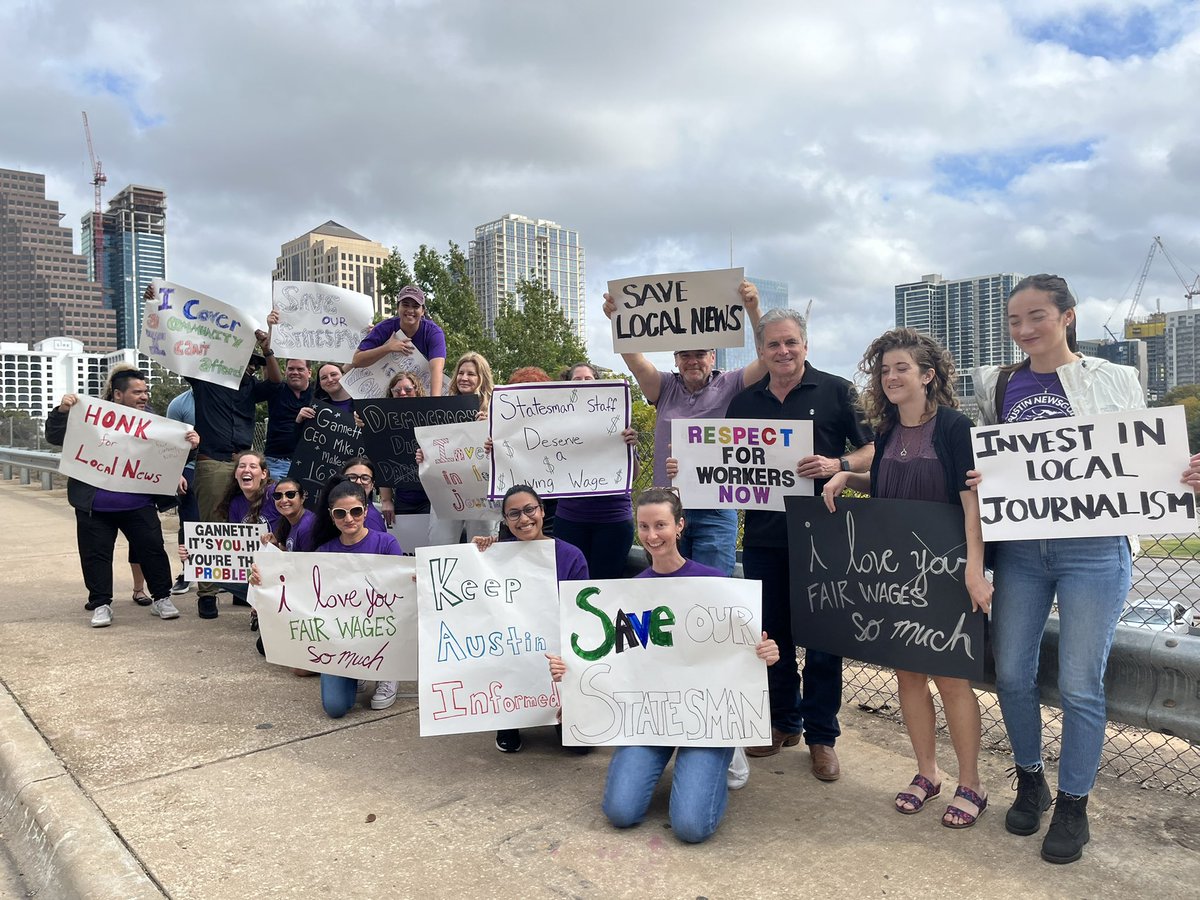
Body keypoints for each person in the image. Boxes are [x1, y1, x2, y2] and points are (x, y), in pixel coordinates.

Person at [971, 274, 1200, 864]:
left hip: (1094, 548)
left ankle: (1074, 803)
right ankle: (1030, 777)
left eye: (1037, 316)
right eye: (1014, 320)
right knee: (1013, 675)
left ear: (1068, 316)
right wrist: (985, 479)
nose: (1024, 330)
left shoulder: (1116, 377)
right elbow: (998, 459)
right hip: (1022, 549)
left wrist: (1183, 472)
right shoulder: (997, 382)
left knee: (1078, 682)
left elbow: (1140, 457)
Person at [821, 328, 992, 827]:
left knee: (953, 682)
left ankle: (971, 784)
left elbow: (970, 502)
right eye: (885, 369)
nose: (891, 377)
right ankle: (927, 773)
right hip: (897, 576)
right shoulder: (888, 431)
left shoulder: (954, 429)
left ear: (927, 375)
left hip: (947, 575)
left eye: (902, 368)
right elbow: (891, 481)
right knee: (909, 678)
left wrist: (974, 570)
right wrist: (847, 477)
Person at [546, 487, 780, 843]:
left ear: (680, 525)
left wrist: (765, 652)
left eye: (661, 525)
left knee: (690, 828)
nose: (652, 536)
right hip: (651, 718)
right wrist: (572, 676)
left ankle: (721, 757)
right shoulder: (627, 596)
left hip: (707, 718)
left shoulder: (716, 584)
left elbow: (743, 651)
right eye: (643, 527)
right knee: (620, 813)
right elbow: (609, 662)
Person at [724, 307, 873, 779]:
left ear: (805, 345)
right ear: (761, 351)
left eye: (791, 343)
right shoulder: (745, 401)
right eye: (773, 345)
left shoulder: (837, 391)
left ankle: (822, 737)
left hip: (825, 535)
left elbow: (874, 450)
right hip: (765, 536)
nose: (783, 352)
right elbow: (722, 461)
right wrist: (685, 469)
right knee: (772, 635)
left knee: (825, 640)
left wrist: (837, 463)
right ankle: (782, 722)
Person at [601, 281, 764, 575]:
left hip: (715, 505)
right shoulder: (664, 386)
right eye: (684, 355)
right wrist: (618, 319)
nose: (693, 361)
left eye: (700, 353)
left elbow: (767, 361)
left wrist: (753, 310)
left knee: (712, 592)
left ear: (712, 356)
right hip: (667, 507)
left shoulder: (732, 383)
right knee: (669, 593)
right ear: (675, 359)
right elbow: (636, 363)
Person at [45, 367, 199, 626]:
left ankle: (161, 598)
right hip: (95, 505)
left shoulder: (154, 424)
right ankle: (101, 603)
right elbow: (55, 436)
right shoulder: (90, 417)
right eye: (137, 392)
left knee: (153, 551)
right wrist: (61, 412)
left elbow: (169, 459)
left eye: (145, 391)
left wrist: (191, 447)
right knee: (95, 555)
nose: (144, 397)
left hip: (138, 504)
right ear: (118, 394)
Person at [251, 477, 405, 716]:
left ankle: (387, 673)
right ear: (332, 516)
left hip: (380, 631)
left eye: (355, 511)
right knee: (334, 707)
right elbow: (300, 589)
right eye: (341, 514)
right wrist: (265, 581)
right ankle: (357, 673)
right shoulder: (325, 551)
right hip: (342, 637)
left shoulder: (386, 543)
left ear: (365, 511)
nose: (349, 519)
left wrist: (413, 580)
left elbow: (401, 591)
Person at [183, 293, 282, 620]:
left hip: (244, 462)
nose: (247, 367)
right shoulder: (204, 380)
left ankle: (240, 586)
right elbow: (176, 348)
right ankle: (208, 593)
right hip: (212, 460)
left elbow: (277, 383)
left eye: (251, 363)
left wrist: (267, 348)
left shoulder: (251, 388)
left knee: (246, 523)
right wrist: (158, 304)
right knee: (211, 523)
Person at [473, 484, 588, 753]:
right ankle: (508, 717)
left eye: (529, 510)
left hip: (556, 653)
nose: (524, 519)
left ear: (542, 511)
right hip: (511, 649)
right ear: (505, 521)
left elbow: (583, 620)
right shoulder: (495, 554)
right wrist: (472, 555)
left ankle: (561, 706)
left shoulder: (571, 556)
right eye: (514, 514)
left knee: (579, 748)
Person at [552, 362, 640, 579]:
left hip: (613, 519)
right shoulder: (553, 422)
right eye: (577, 380)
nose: (583, 384)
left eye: (588, 379)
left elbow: (633, 476)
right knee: (569, 583)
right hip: (570, 518)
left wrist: (631, 447)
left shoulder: (618, 419)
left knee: (607, 585)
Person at [186, 450, 279, 620]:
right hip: (255, 567)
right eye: (241, 466)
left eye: (253, 466)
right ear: (235, 474)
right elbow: (235, 544)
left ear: (264, 473)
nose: (246, 470)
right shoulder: (235, 503)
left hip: (280, 563)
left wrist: (278, 540)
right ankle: (257, 605)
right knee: (217, 574)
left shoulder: (275, 495)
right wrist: (193, 553)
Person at [427, 351, 499, 545]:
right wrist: (424, 455)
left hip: (482, 489)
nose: (464, 378)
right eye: (461, 373)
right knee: (440, 543)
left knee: (482, 546)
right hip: (447, 487)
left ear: (481, 378)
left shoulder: (497, 409)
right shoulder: (441, 408)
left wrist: (492, 427)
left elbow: (508, 450)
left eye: (471, 374)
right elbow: (433, 445)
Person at [352, 284, 447, 396]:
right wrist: (387, 348)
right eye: (405, 305)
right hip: (389, 394)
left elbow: (437, 369)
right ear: (398, 308)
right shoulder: (384, 328)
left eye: (416, 306)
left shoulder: (433, 332)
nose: (410, 310)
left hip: (420, 395)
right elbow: (356, 361)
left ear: (422, 311)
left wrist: (435, 404)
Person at [165, 388, 198, 595]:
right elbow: (171, 442)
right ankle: (188, 571)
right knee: (189, 521)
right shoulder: (179, 404)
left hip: (224, 467)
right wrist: (175, 472)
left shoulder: (228, 396)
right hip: (190, 467)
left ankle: (219, 574)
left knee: (222, 520)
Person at [262, 358, 315, 481]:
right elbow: (267, 369)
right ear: (285, 371)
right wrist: (267, 349)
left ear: (309, 372)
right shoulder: (276, 389)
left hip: (307, 465)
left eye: (300, 369)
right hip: (275, 463)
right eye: (290, 369)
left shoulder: (318, 395)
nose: (295, 372)